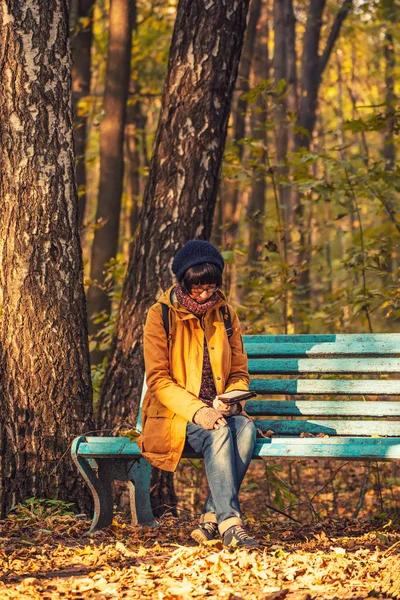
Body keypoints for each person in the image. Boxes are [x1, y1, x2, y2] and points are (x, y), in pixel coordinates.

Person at [140, 240, 259, 549]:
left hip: (217, 411)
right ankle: (231, 524)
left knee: (245, 429)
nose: (206, 294)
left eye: (211, 287)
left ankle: (210, 519)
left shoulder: (226, 315)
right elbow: (158, 379)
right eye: (198, 289)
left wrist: (232, 400)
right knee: (219, 431)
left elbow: (239, 373)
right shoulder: (160, 315)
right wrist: (200, 411)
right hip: (175, 416)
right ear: (183, 284)